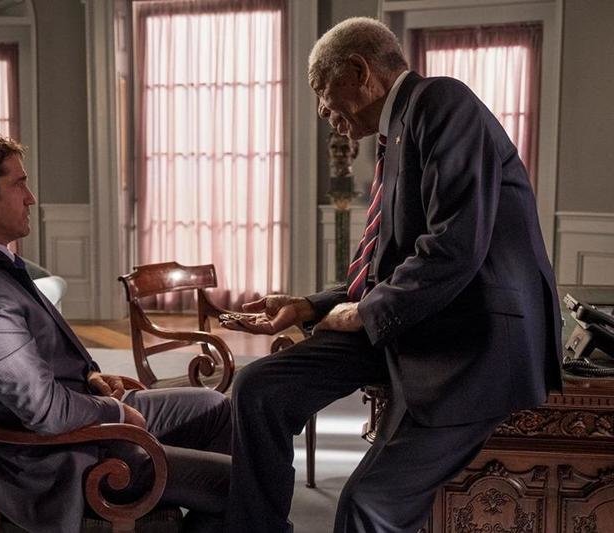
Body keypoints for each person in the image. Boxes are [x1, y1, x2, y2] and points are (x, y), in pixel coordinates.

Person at [223, 17, 562, 533]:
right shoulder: (397, 132)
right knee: (258, 387)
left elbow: (454, 247)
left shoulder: (441, 101)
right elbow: (388, 265)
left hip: (470, 344)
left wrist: (363, 312)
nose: (322, 111)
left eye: (321, 91)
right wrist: (311, 306)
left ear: (359, 71)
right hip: (417, 319)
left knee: (367, 507)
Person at [0, 135, 231, 533]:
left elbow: (29, 369)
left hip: (79, 426)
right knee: (246, 482)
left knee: (216, 408)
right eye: (19, 184)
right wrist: (117, 412)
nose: (31, 198)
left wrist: (90, 376)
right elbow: (44, 410)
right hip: (60, 463)